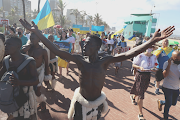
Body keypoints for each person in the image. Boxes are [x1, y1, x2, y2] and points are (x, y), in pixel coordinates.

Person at [20, 19, 175, 120]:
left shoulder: (105, 61)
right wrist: (37, 32)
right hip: (81, 104)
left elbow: (130, 53)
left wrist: (152, 41)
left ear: (96, 48)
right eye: (84, 44)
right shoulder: (80, 60)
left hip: (98, 103)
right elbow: (55, 49)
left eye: (88, 44)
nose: (84, 46)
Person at [0, 35, 39, 120]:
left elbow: (36, 80)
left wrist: (19, 82)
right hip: (11, 98)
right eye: (5, 44)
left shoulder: (29, 61)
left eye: (9, 44)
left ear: (18, 46)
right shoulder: (6, 60)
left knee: (27, 117)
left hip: (25, 99)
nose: (6, 46)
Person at [21, 32, 52, 111]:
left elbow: (46, 65)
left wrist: (47, 79)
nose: (31, 40)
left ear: (38, 39)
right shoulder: (28, 48)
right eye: (30, 38)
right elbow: (21, 51)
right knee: (29, 91)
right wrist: (29, 46)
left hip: (39, 73)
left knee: (37, 91)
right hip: (29, 72)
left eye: (33, 39)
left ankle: (42, 102)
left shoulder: (43, 51)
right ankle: (36, 105)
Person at [130, 45, 158, 120]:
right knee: (141, 94)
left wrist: (155, 69)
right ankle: (140, 113)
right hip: (140, 75)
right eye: (148, 47)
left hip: (148, 76)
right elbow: (134, 64)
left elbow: (156, 65)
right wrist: (139, 67)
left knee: (142, 91)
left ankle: (133, 97)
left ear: (153, 49)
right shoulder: (140, 56)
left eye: (151, 47)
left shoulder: (154, 57)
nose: (149, 48)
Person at [157, 51, 180, 120]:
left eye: (179, 59)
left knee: (173, 103)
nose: (178, 61)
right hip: (167, 87)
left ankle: (161, 102)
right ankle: (165, 117)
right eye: (176, 59)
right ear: (172, 58)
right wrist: (169, 65)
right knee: (168, 104)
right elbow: (165, 75)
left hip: (176, 87)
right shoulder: (167, 63)